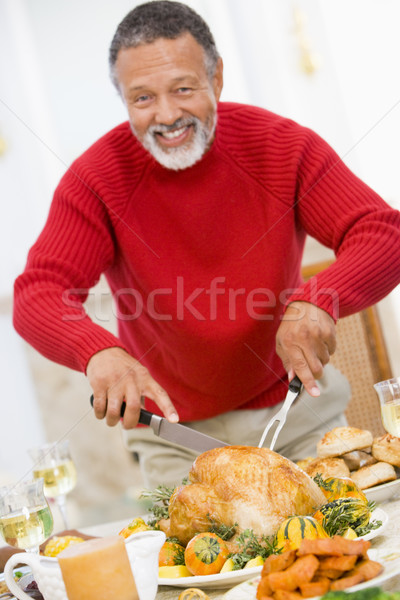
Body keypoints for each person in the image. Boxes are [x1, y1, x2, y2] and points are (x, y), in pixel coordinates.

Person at [13, 1, 400, 489]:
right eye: (143, 98)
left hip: (296, 419)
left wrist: (319, 299)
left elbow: (384, 232)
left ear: (216, 79)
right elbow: (38, 292)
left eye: (183, 89)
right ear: (123, 99)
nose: (167, 115)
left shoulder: (281, 145)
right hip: (176, 441)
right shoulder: (96, 178)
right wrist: (95, 350)